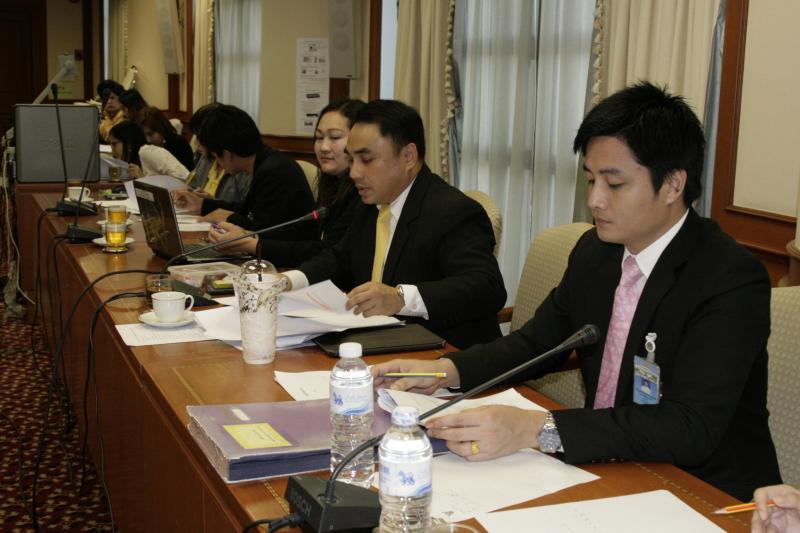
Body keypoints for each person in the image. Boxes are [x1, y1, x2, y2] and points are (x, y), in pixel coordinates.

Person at [371, 82, 781, 502]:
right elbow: (536, 344)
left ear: (674, 184)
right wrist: (443, 372)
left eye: (614, 184)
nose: (595, 200)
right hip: (605, 462)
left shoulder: (727, 277)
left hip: (702, 491)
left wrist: (537, 429)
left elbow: (689, 426)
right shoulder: (596, 253)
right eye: (590, 179)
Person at [282, 99, 506, 349]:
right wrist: (288, 281)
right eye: (352, 160)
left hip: (444, 352)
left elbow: (486, 287)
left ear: (408, 156)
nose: (354, 173)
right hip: (380, 342)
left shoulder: (452, 211)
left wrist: (400, 298)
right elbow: (339, 258)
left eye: (366, 160)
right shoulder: (370, 203)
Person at [208, 98, 365, 267]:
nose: (324, 147)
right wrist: (249, 237)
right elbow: (311, 242)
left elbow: (327, 252)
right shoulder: (332, 183)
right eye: (319, 137)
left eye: (334, 137)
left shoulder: (362, 192)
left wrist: (252, 243)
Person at [172, 104, 316, 242]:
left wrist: (227, 217)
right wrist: (202, 205)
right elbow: (246, 209)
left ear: (227, 155)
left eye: (216, 157)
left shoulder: (273, 172)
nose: (217, 163)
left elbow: (260, 232)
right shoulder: (265, 161)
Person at [182, 103, 252, 203]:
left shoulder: (241, 165)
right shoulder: (206, 159)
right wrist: (185, 194)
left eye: (200, 137)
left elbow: (246, 210)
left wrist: (213, 203)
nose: (197, 143)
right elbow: (191, 186)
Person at [108, 120, 189, 181]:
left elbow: (184, 177)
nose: (112, 150)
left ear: (129, 142)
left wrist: (142, 179)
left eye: (114, 144)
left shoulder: (147, 152)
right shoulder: (132, 159)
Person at [141, 106, 195, 171]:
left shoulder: (179, 144)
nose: (148, 140)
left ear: (161, 128)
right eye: (145, 135)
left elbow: (185, 173)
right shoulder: (147, 146)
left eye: (150, 134)